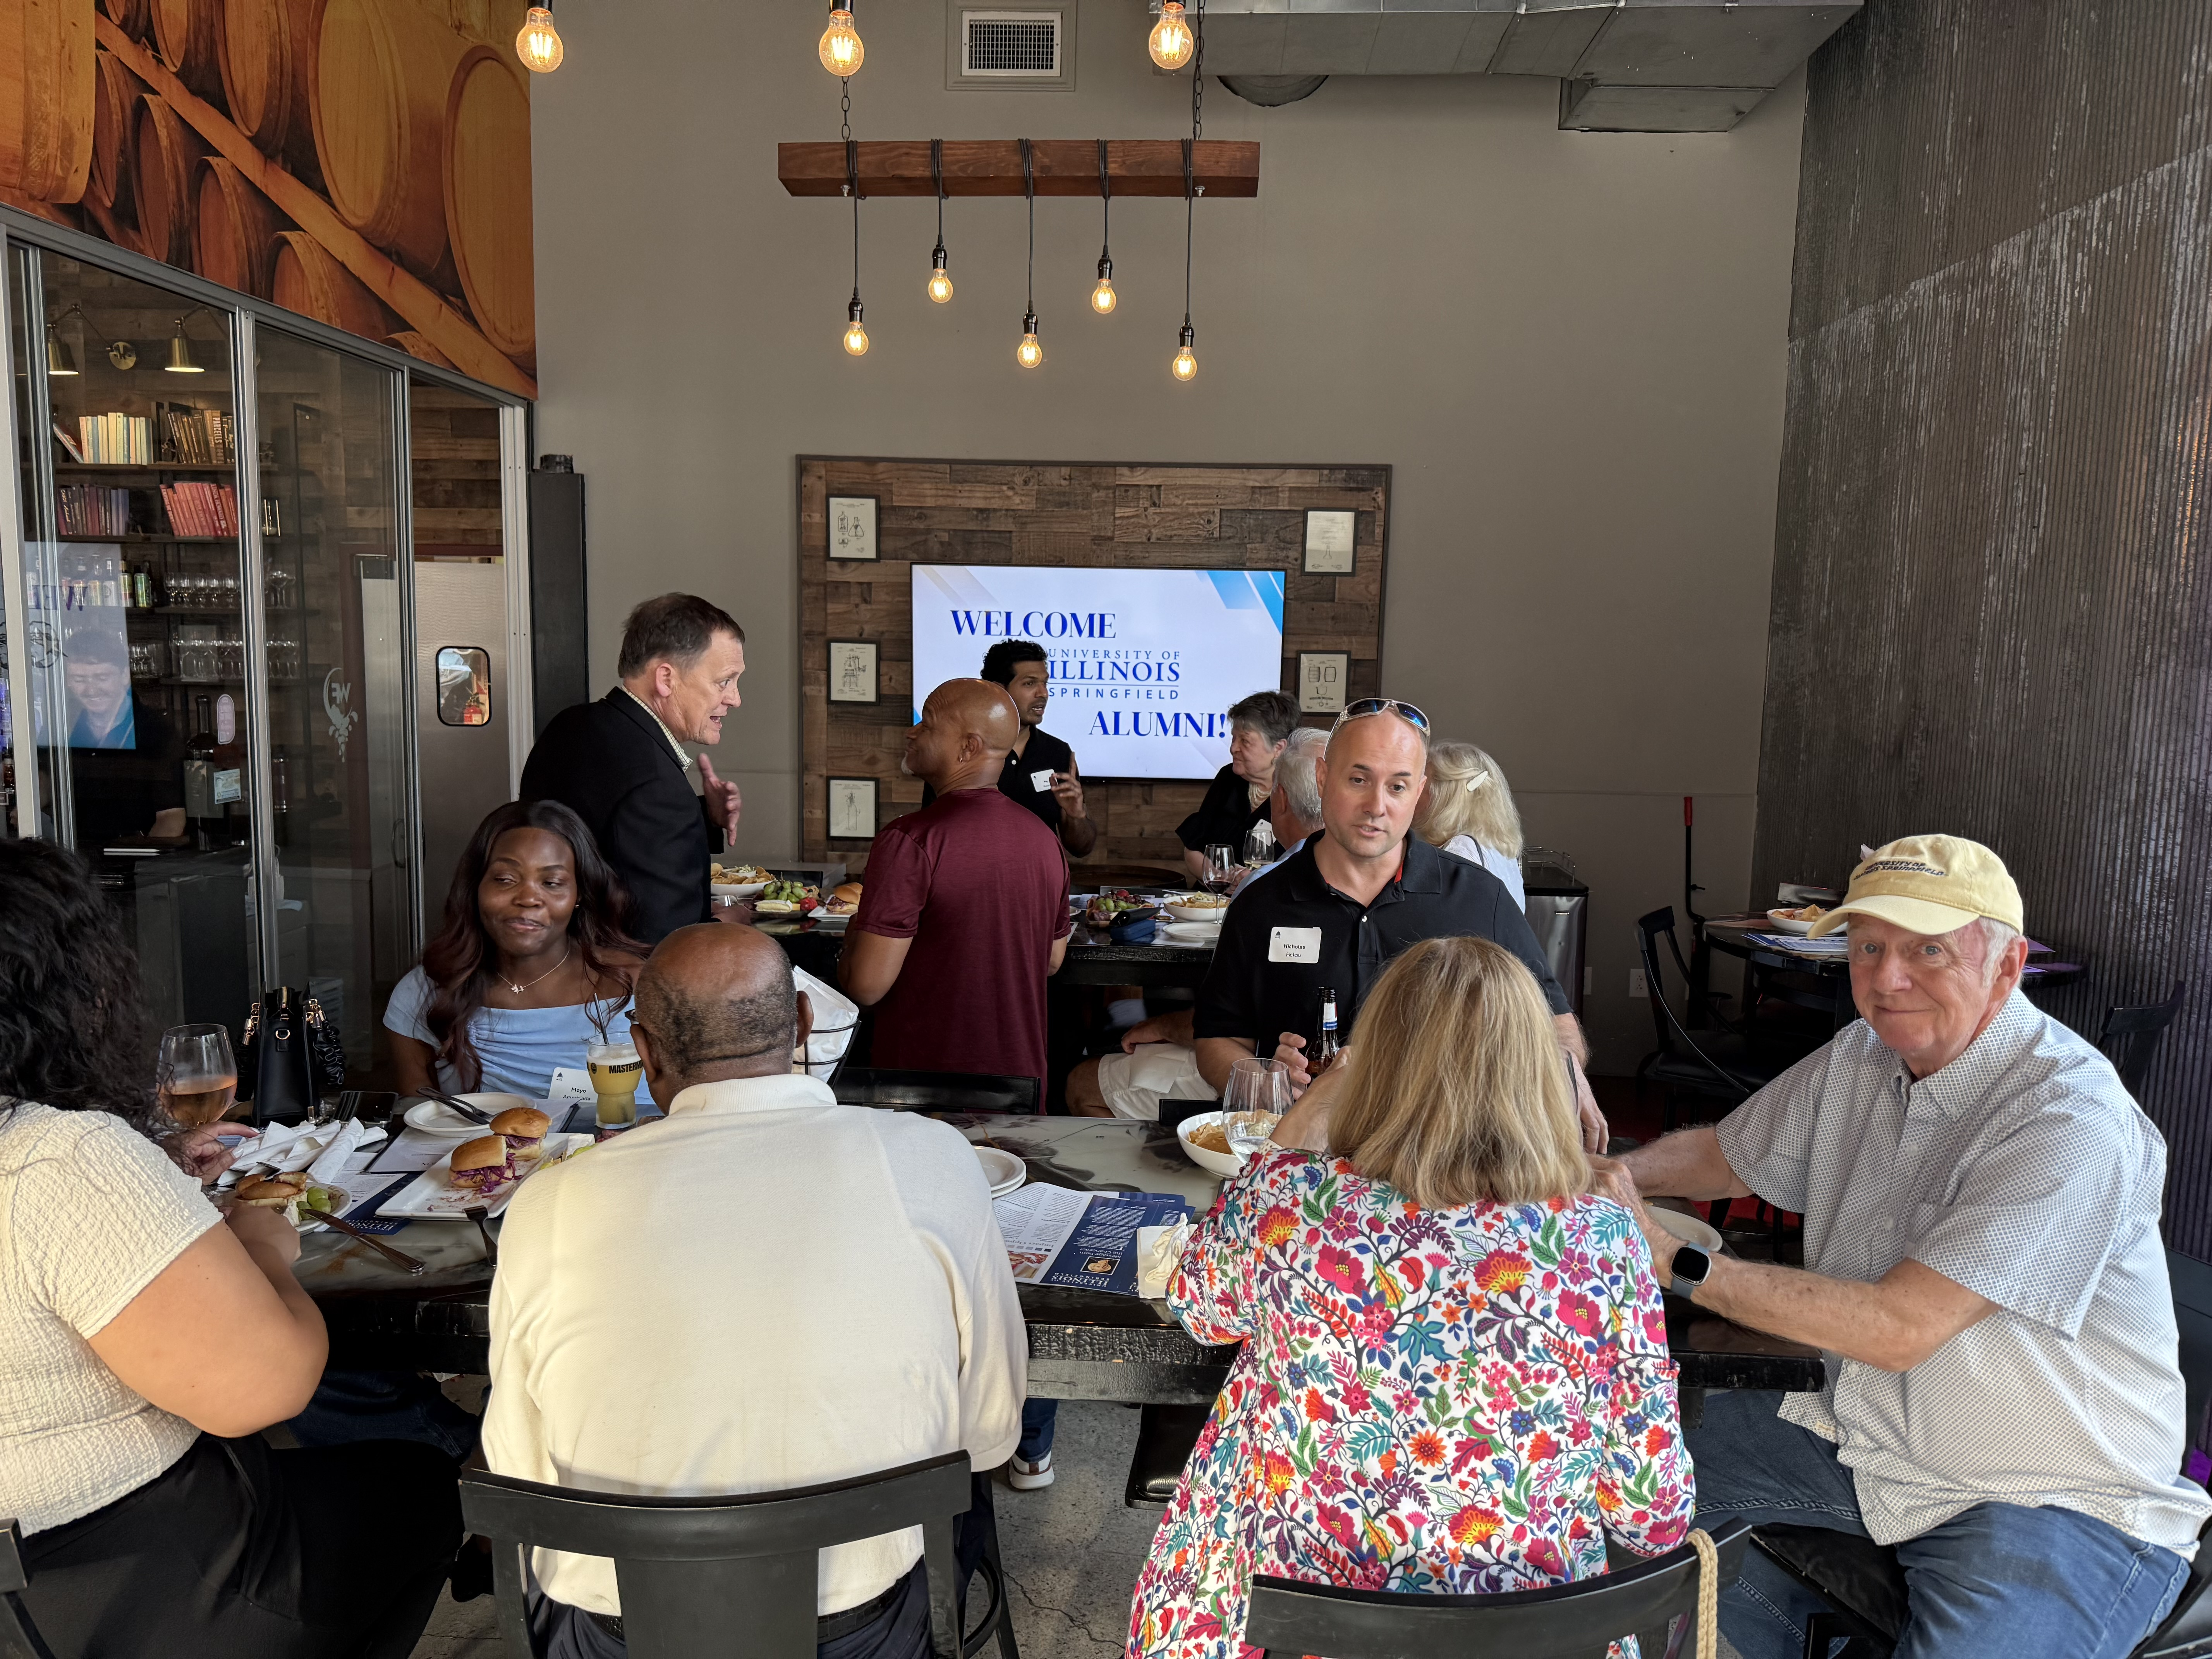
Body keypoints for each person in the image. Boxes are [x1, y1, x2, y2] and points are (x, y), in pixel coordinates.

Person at [1596, 835, 2212, 1659]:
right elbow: (1727, 1153)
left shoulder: (2069, 1117)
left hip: (2048, 1491)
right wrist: (1601, 1177)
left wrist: (1676, 1261)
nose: (1888, 978)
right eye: (1868, 947)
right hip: (1864, 1429)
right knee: (1599, 1489)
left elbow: (1899, 1326)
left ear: (2006, 965)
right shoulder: (1863, 1053)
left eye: (1928, 950)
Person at [1126, 936, 1690, 1659]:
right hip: (1529, 1643)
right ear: (1539, 1074)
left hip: (1286, 1629)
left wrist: (1303, 1122)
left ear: (1375, 1067)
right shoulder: (1604, 1238)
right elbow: (1653, 1517)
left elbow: (1202, 1309)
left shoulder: (1290, 1201)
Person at [484, 923, 1025, 1659]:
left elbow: (519, 1474)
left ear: (644, 1052)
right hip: (867, 1630)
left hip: (619, 1637)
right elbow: (991, 1428)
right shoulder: (932, 1157)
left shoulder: (548, 1202)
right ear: (802, 1024)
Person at [0, 840, 461, 1659]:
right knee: (422, 1486)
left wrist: (153, 1172)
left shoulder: (62, 1162)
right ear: (71, 990)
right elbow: (265, 1387)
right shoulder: (55, 1155)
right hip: (124, 1577)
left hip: (37, 1574)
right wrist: (259, 1243)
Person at [1193, 698, 1607, 1152]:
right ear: (1323, 777)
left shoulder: (1478, 898)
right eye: (1358, 780)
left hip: (1444, 1162)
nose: (1377, 806)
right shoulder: (1262, 904)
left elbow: (1557, 1026)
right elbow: (1217, 1037)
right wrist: (1266, 1081)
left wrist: (1566, 1071)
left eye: (1398, 786)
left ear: (1419, 793)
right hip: (1305, 1163)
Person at [1064, 726, 1326, 1121]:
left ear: (1281, 800)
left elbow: (1230, 1021)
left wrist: (1165, 1027)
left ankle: (1183, 1153)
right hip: (1330, 1081)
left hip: (1266, 1076)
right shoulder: (1372, 879)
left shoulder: (1264, 892)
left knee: (1081, 1083)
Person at [841, 679, 1071, 1093]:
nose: (911, 732)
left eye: (926, 724)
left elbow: (867, 986)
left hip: (924, 1092)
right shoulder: (1045, 840)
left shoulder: (911, 840)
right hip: (1020, 1087)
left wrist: (854, 931)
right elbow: (1052, 961)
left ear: (968, 747)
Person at [385, 800, 650, 1107]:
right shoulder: (424, 993)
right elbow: (417, 1122)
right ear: (475, 887)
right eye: (505, 880)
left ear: (579, 895)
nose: (528, 898)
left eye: (552, 883)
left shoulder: (637, 984)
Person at [520, 593, 747, 943]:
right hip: (611, 975)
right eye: (724, 682)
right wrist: (723, 926)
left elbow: (604, 836)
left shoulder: (572, 723)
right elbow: (665, 946)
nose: (735, 699)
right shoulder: (657, 787)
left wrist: (703, 817)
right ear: (666, 679)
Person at [922, 640, 1096, 857]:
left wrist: (1076, 816)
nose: (1043, 693)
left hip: (1038, 877)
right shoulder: (959, 751)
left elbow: (1081, 848)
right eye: (1030, 684)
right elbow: (930, 837)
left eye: (1045, 683)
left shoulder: (1058, 752)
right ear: (999, 689)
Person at [57, 629, 186, 845]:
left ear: (125, 676)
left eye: (102, 678)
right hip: (71, 854)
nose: (91, 690)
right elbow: (45, 779)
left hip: (130, 859)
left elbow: (172, 819)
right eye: (79, 679)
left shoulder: (155, 732)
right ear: (68, 681)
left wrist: (143, 862)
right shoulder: (63, 726)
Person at [1175, 690, 1298, 881]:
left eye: (1245, 741)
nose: (1233, 748)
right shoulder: (1229, 778)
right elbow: (1193, 849)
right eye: (1234, 738)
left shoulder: (1298, 792)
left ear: (1279, 748)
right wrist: (1222, 879)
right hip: (1214, 896)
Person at [1416, 740, 1526, 912]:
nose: (1414, 794)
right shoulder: (1500, 847)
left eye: (1423, 786)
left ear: (1446, 796)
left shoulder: (1460, 852)